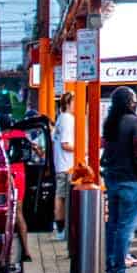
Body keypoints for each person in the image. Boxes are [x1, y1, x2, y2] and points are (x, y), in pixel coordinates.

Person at [99, 86, 137, 273]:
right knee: (127, 227)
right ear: (129, 102)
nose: (136, 102)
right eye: (134, 99)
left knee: (113, 225)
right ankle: (119, 269)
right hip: (130, 180)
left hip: (113, 178)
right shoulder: (136, 122)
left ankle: (111, 266)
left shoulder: (109, 123)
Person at [51, 91, 76, 236]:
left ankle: (60, 227)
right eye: (75, 102)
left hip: (62, 164)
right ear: (68, 103)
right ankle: (61, 229)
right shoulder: (67, 119)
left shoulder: (61, 118)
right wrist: (82, 150)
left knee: (61, 196)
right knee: (62, 196)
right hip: (67, 165)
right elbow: (65, 144)